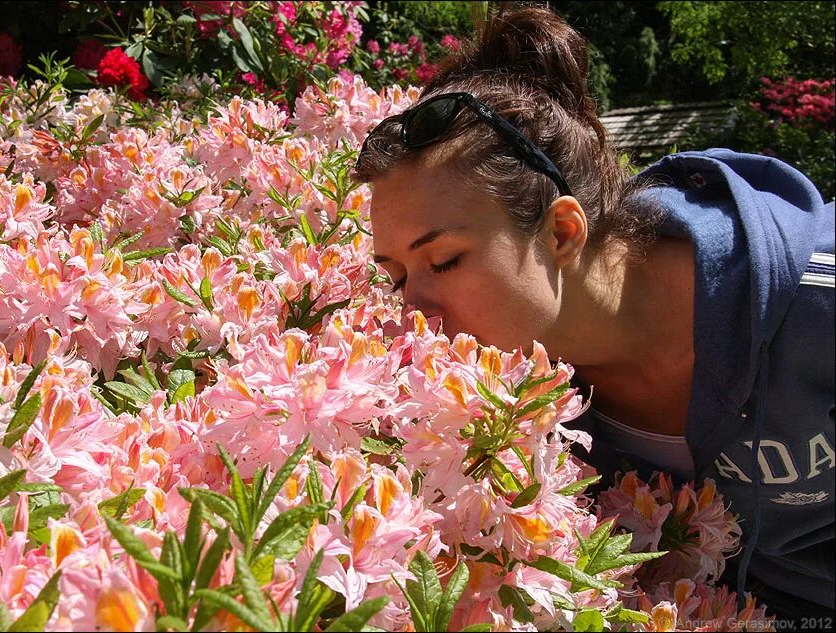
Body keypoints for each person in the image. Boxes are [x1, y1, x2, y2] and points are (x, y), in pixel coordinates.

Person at [354, 4, 835, 626]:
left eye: (443, 261)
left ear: (560, 230)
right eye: (395, 278)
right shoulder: (527, 405)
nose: (412, 315)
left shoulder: (812, 298)